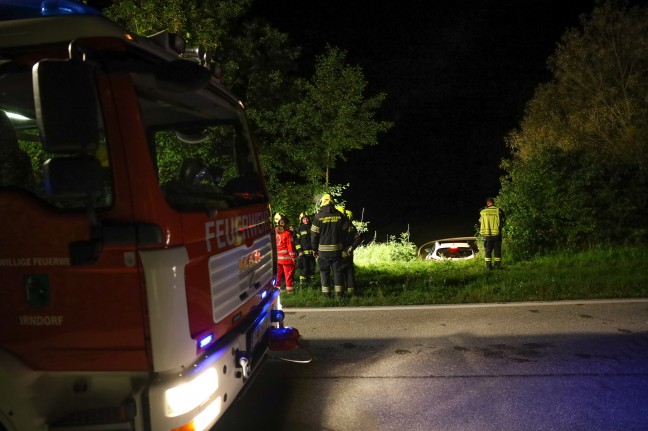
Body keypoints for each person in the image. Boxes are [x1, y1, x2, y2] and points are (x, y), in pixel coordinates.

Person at [311, 193, 346, 297]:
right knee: (337, 272)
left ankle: (326, 295)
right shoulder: (339, 215)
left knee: (324, 273)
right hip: (337, 250)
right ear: (332, 201)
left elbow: (314, 236)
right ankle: (339, 295)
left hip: (323, 252)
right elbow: (344, 232)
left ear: (323, 202)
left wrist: (314, 249)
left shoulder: (318, 216)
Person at [337, 205, 363, 295]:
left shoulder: (339, 225)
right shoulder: (351, 225)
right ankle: (351, 291)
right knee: (349, 271)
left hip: (340, 252)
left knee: (339, 271)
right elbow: (358, 238)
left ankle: (341, 292)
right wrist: (352, 247)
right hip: (349, 251)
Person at [479, 197, 506, 270]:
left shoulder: (483, 212)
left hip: (487, 235)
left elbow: (480, 221)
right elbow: (503, 220)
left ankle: (488, 266)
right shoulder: (498, 210)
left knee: (488, 250)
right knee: (497, 250)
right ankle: (497, 266)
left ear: (487, 203)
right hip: (497, 234)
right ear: (493, 203)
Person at [274, 216, 297, 292]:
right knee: (288, 275)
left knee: (278, 275)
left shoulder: (275, 232)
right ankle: (289, 291)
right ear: (286, 224)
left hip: (278, 259)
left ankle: (276, 289)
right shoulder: (287, 234)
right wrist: (293, 258)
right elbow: (291, 248)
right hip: (286, 259)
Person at [295, 212, 316, 287]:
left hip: (312, 253)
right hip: (303, 254)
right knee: (304, 269)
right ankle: (303, 285)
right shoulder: (299, 229)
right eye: (304, 219)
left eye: (307, 219)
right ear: (301, 220)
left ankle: (312, 285)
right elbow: (296, 241)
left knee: (312, 268)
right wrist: (299, 251)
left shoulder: (312, 227)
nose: (306, 220)